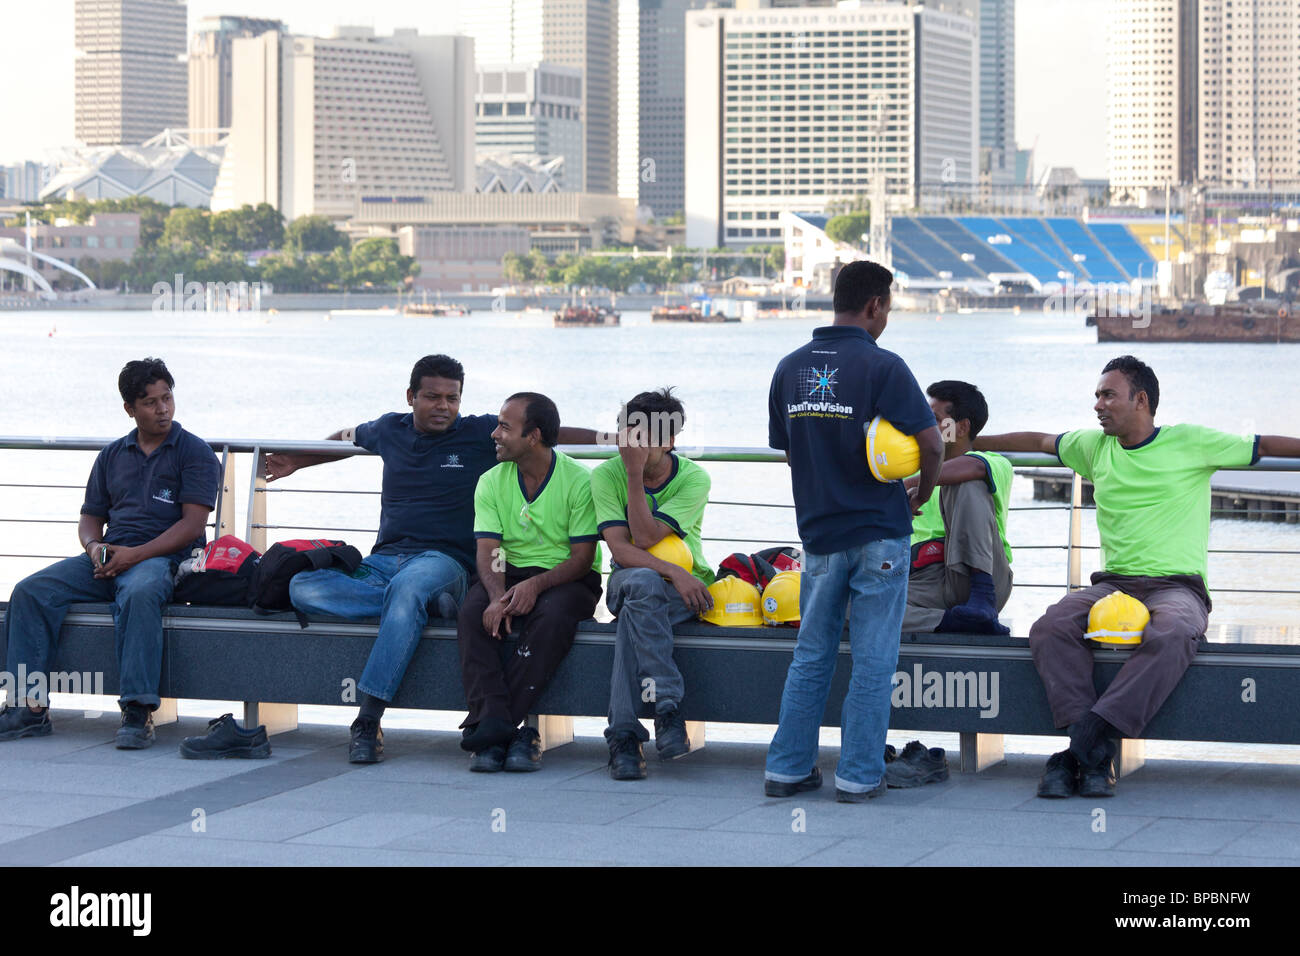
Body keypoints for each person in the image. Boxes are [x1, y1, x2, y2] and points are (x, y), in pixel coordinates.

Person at [974, 355, 1300, 798]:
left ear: (1140, 400)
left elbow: (1263, 445)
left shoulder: (1191, 442)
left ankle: (1086, 739)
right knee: (1049, 627)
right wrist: (967, 439)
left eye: (1108, 395)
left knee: (1171, 634)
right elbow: (1040, 439)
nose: (1097, 405)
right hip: (1112, 585)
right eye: (1096, 395)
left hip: (1177, 587)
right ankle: (1092, 752)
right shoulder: (1093, 447)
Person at [264, 355, 594, 764]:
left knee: (408, 591)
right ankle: (421, 608)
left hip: (443, 562)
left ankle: (367, 719)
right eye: (433, 397)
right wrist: (298, 459)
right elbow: (346, 439)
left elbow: (545, 433)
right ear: (411, 397)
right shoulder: (389, 429)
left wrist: (613, 436)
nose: (444, 406)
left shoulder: (480, 432)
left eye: (452, 398)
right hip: (384, 561)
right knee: (302, 586)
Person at [764, 260, 944, 802]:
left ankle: (787, 769)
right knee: (872, 661)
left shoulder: (789, 367)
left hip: (819, 537)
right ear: (875, 305)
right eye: (887, 306)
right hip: (880, 533)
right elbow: (933, 444)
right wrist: (924, 490)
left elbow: (791, 452)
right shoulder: (884, 366)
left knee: (811, 654)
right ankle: (859, 775)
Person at [0, 358, 220, 749]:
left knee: (138, 593)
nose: (163, 409)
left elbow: (191, 527)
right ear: (130, 409)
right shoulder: (112, 455)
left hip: (162, 559)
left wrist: (132, 556)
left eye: (167, 398)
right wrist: (94, 548)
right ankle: (28, 708)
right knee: (31, 591)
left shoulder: (195, 452)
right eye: (151, 402)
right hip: (109, 558)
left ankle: (137, 711)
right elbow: (89, 519)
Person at [456, 392, 603, 772]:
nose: (495, 434)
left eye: (505, 426)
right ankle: (504, 730)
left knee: (552, 617)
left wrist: (535, 587)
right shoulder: (490, 480)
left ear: (534, 436)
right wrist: (495, 596)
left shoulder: (579, 481)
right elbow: (489, 550)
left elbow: (582, 558)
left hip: (568, 576)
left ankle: (492, 729)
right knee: (473, 614)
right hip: (509, 572)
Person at [591, 388, 715, 781]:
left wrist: (680, 575)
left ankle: (623, 738)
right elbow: (625, 550)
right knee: (642, 582)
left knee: (634, 618)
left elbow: (644, 535)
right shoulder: (605, 474)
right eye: (628, 435)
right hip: (629, 580)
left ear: (670, 440)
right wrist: (629, 473)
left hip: (685, 592)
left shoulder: (694, 478)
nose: (634, 447)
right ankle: (668, 705)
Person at [901, 380, 1014, 635]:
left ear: (962, 427)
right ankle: (950, 623)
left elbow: (972, 468)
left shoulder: (993, 463)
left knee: (966, 482)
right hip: (924, 580)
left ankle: (982, 601)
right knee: (849, 605)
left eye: (934, 419)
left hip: (979, 577)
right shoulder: (906, 467)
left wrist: (905, 485)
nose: (924, 426)